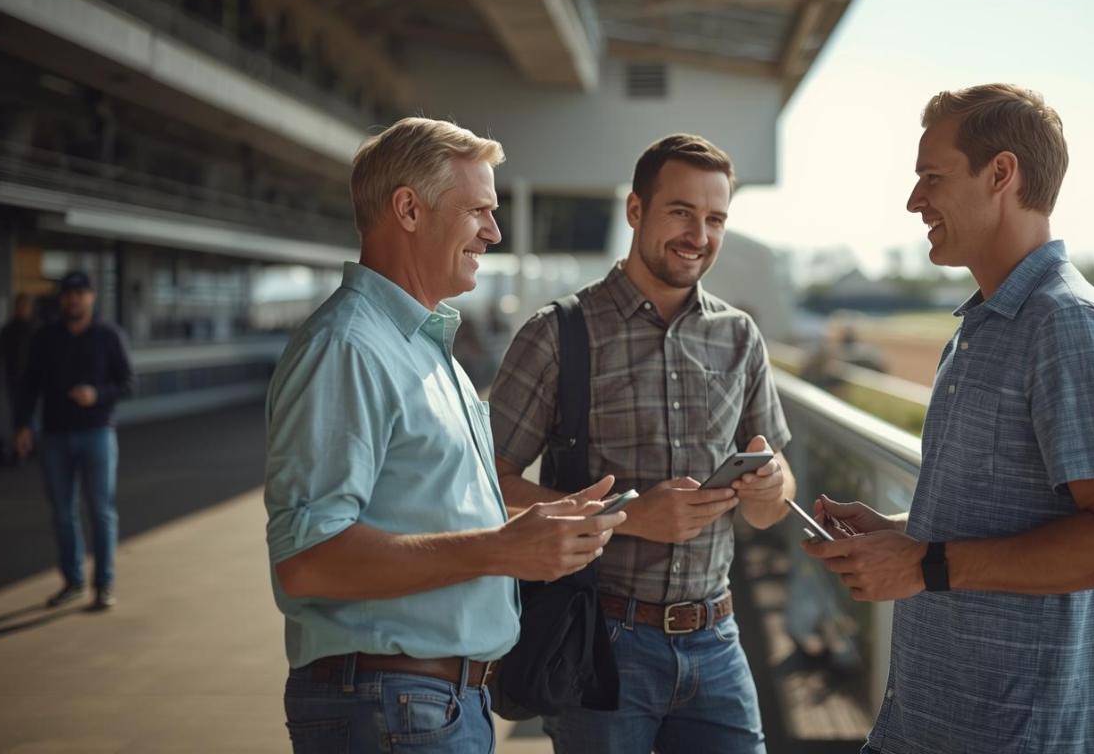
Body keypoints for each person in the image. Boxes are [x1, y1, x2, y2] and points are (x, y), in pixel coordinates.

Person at [803, 84, 1094, 754]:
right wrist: (899, 534)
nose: (914, 201)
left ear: (1001, 174)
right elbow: (1002, 517)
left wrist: (924, 564)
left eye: (932, 178)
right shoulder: (982, 325)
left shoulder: (1068, 325)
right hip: (924, 727)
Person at [263, 117, 626, 753]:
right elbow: (307, 560)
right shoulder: (348, 347)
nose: (494, 232)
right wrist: (499, 550)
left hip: (431, 705)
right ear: (409, 209)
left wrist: (536, 529)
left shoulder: (424, 350)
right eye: (478, 210)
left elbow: (429, 511)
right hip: (392, 707)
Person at [491, 134, 797, 753]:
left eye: (715, 219)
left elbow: (773, 504)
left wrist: (770, 485)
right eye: (681, 212)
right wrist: (630, 518)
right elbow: (486, 487)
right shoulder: (556, 334)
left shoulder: (740, 336)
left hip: (718, 640)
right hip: (598, 642)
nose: (699, 235)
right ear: (636, 211)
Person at [14, 273, 134, 610]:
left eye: (80, 292)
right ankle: (73, 581)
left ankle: (104, 585)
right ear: (62, 298)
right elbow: (29, 384)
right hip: (55, 437)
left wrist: (97, 395)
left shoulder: (109, 335)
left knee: (101, 512)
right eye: (69, 293)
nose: (74, 298)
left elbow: (129, 384)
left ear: (91, 296)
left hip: (98, 434)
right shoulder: (45, 337)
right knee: (63, 514)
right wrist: (22, 425)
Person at [0, 293, 38, 464]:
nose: (22, 310)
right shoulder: (9, 329)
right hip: (14, 378)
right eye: (20, 307)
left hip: (33, 378)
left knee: (30, 412)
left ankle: (28, 445)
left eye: (25, 307)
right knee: (18, 412)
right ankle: (23, 447)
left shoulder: (36, 329)